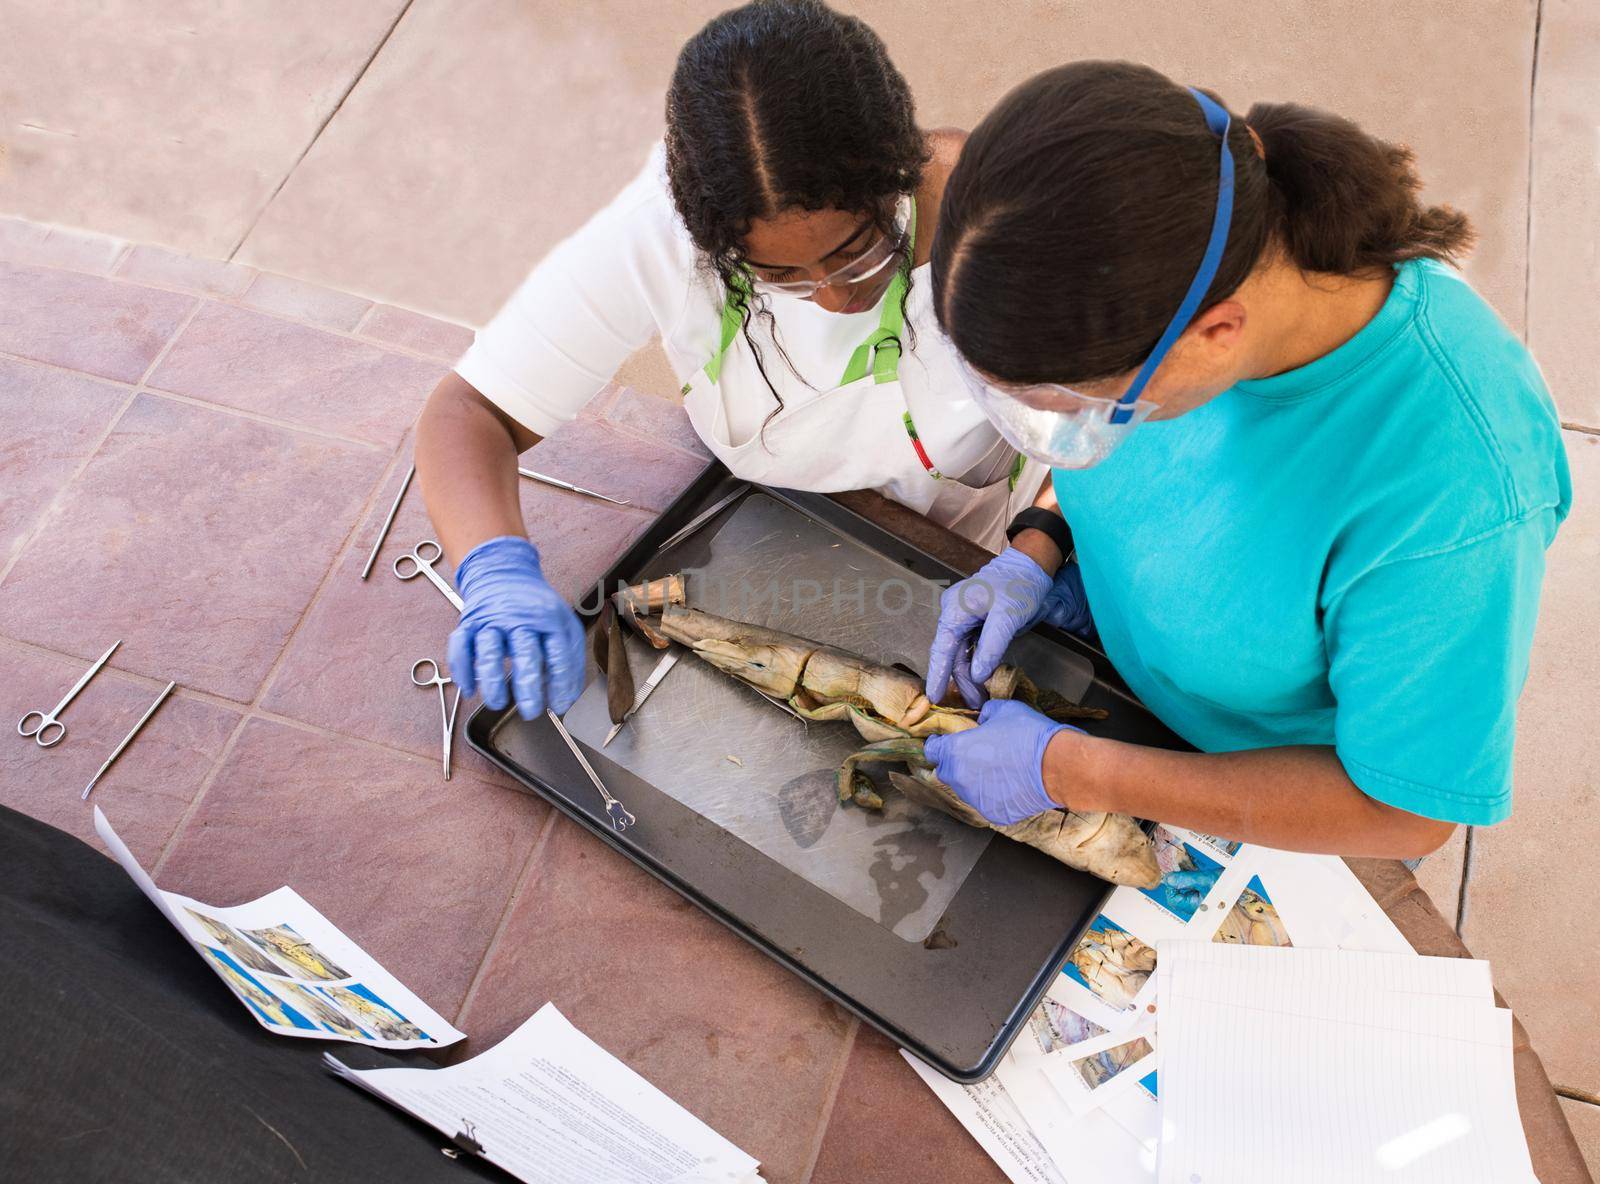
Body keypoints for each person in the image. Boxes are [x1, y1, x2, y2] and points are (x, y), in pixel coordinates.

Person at [921, 62, 1570, 859]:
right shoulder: (1171, 248)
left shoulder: (1455, 489)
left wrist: (1074, 771)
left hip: (1267, 790)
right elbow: (1121, 473)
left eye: (1093, 405)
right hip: (1133, 680)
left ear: (1216, 333)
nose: (1075, 431)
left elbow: (1403, 812)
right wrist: (1039, 548)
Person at [415, 0, 1043, 721]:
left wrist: (1041, 546)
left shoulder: (989, 210)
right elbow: (470, 411)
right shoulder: (658, 237)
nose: (836, 296)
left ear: (896, 170)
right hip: (791, 520)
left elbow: (1117, 407)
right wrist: (496, 567)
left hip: (989, 523)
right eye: (781, 276)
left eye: (855, 249)